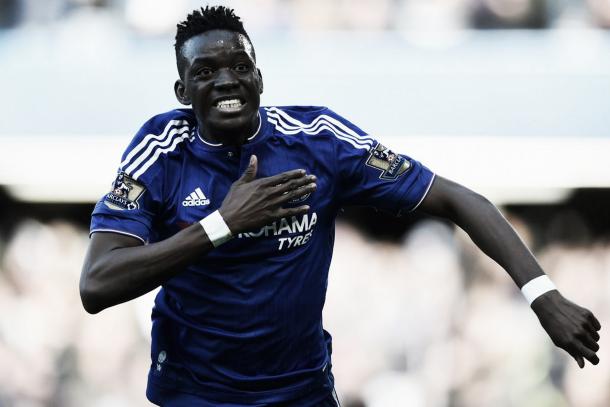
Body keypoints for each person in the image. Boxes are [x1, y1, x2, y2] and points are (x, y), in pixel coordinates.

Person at [79, 6, 601, 406]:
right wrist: (223, 224)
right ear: (182, 89)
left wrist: (543, 296)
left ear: (260, 77)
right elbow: (97, 284)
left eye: (241, 65)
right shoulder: (162, 151)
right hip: (195, 393)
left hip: (300, 391)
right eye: (206, 71)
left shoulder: (317, 141)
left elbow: (458, 198)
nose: (227, 81)